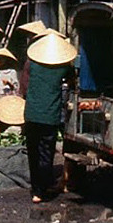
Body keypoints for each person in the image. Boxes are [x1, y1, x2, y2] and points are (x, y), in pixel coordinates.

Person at [23, 31, 77, 204]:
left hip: (31, 114)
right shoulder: (63, 67)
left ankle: (36, 190)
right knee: (47, 154)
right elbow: (72, 83)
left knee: (33, 153)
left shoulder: (31, 64)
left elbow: (24, 88)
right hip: (50, 115)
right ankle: (43, 188)